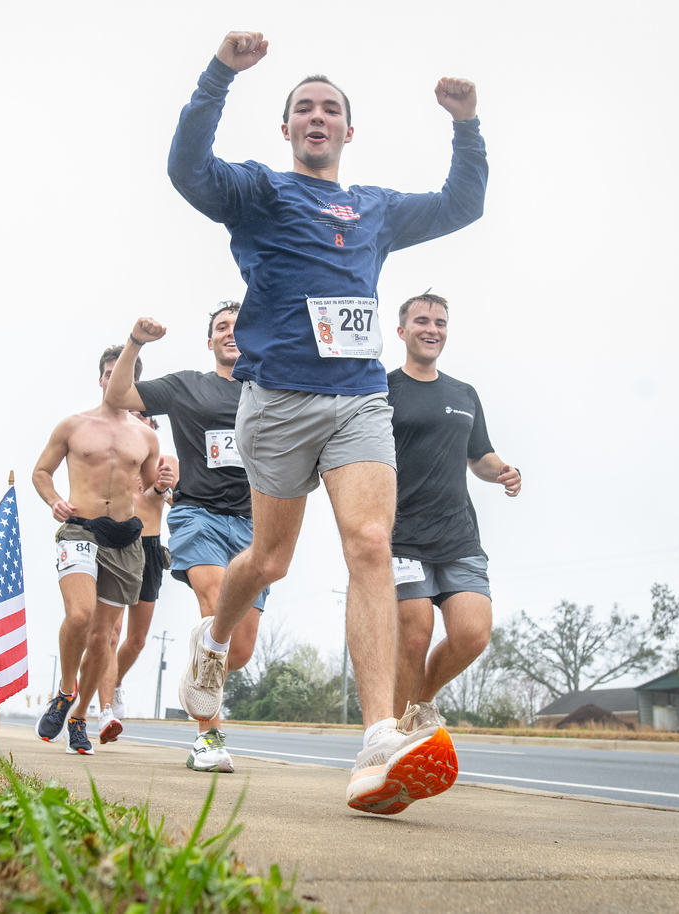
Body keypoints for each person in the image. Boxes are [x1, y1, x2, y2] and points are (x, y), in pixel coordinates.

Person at [167, 30, 488, 814]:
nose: (318, 117)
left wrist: (467, 124)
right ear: (286, 129)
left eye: (331, 109)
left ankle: (378, 738)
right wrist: (219, 76)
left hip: (356, 400)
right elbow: (187, 169)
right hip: (277, 401)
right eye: (304, 108)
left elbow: (462, 204)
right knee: (268, 560)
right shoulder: (260, 191)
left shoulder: (375, 209)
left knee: (371, 543)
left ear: (350, 130)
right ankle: (212, 650)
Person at [104, 303, 269, 773]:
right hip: (199, 515)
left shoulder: (274, 390)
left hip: (256, 524)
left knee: (237, 650)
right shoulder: (186, 386)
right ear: (210, 340)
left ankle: (201, 664)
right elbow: (118, 396)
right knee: (215, 605)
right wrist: (135, 342)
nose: (231, 334)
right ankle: (208, 737)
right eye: (221, 328)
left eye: (240, 326)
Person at [389, 293, 520, 741]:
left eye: (440, 322)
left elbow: (479, 455)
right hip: (402, 536)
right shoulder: (382, 388)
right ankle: (395, 743)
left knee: (472, 635)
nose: (432, 329)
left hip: (458, 536)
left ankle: (417, 705)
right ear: (402, 331)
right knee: (414, 636)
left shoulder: (464, 394)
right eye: (421, 320)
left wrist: (503, 471)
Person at [32, 346, 161, 755]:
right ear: (101, 378)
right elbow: (41, 472)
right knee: (80, 616)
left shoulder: (146, 436)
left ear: (131, 383)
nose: (113, 379)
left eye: (120, 374)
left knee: (104, 638)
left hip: (125, 540)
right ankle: (65, 691)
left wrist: (166, 483)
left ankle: (78, 718)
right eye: (107, 373)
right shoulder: (73, 425)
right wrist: (53, 499)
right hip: (80, 530)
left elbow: (154, 487)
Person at [96, 414, 179, 744]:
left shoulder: (165, 460)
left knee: (137, 640)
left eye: (145, 418)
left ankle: (114, 684)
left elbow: (177, 499)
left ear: (153, 426)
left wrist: (163, 487)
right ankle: (105, 711)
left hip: (150, 550)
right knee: (111, 634)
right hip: (117, 545)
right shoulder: (114, 458)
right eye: (134, 417)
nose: (139, 422)